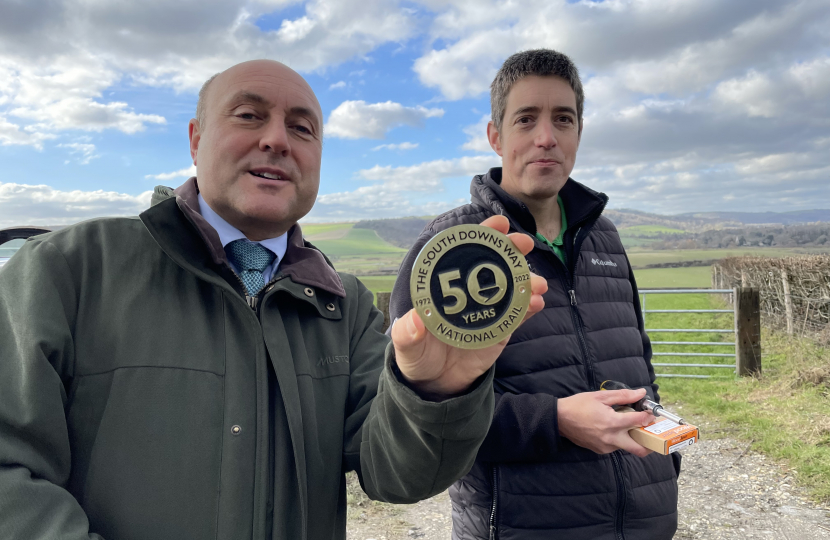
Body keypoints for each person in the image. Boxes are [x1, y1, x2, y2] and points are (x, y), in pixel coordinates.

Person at [0, 60, 547, 540]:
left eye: (302, 128)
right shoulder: (71, 269)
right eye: (248, 115)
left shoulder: (344, 304)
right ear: (195, 138)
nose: (277, 140)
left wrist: (437, 390)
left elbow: (399, 477)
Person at [389, 49, 681, 540]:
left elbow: (640, 365)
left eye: (563, 119)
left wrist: (664, 471)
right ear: (495, 137)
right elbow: (414, 416)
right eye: (526, 119)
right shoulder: (451, 251)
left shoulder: (604, 238)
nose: (547, 137)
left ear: (579, 133)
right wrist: (554, 421)